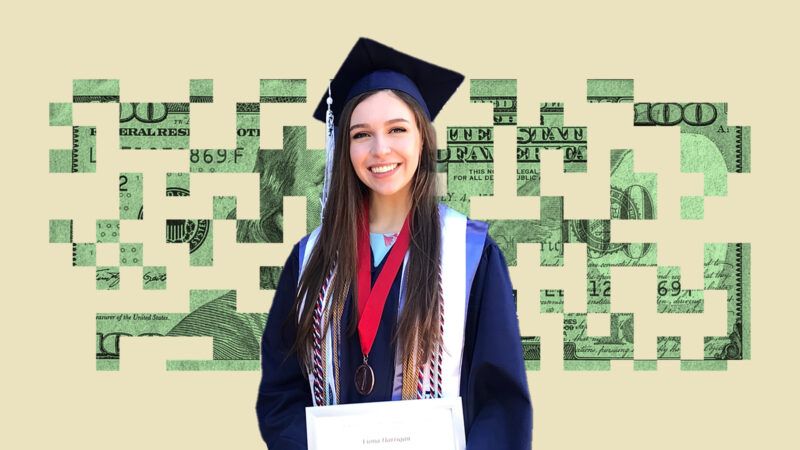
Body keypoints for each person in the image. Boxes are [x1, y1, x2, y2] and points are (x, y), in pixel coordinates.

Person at [255, 37, 532, 450]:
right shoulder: (309, 258)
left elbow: (500, 404)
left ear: (422, 137)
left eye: (397, 129)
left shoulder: (469, 255)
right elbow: (281, 392)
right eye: (361, 134)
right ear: (344, 148)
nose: (379, 149)